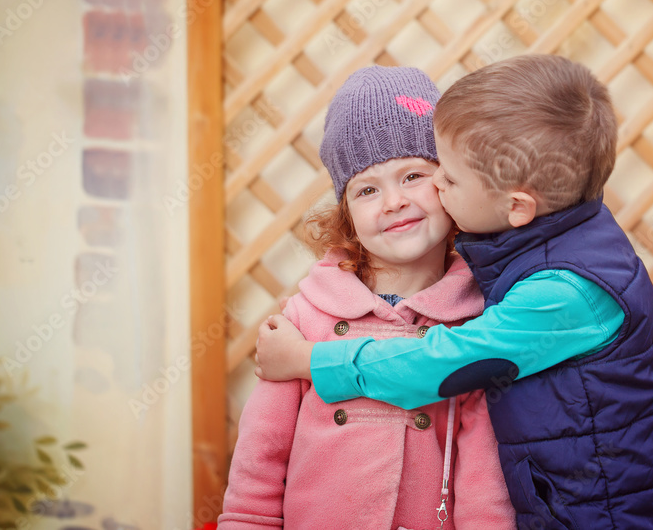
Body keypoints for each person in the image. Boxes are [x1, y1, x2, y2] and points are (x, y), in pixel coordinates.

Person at [255, 54, 653, 530]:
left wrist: (305, 360)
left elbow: (434, 364)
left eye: (442, 175)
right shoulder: (555, 244)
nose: (435, 187)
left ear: (516, 206)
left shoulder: (562, 292)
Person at [218, 66, 515, 530]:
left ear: (450, 184)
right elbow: (258, 468)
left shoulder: (475, 322)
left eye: (413, 175)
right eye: (368, 189)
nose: (393, 201)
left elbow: (484, 483)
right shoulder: (305, 320)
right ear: (347, 215)